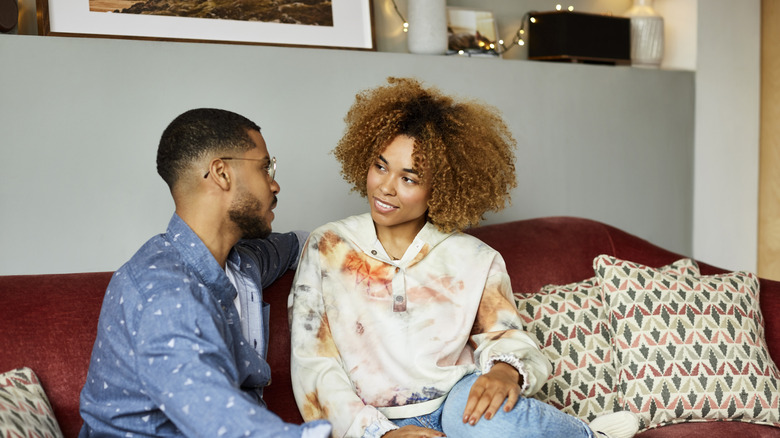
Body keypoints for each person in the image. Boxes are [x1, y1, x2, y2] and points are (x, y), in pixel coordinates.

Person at [288, 78, 639, 438]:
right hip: (372, 419)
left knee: (490, 421)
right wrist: (379, 433)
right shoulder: (328, 246)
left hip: (458, 403)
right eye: (380, 167)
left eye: (409, 179)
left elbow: (506, 335)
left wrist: (504, 371)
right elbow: (313, 363)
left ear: (440, 187)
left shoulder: (475, 257)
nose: (386, 187)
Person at [79, 108, 331, 438]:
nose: (275, 184)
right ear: (222, 174)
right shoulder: (165, 294)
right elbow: (219, 419)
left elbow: (302, 244)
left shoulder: (244, 263)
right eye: (264, 167)